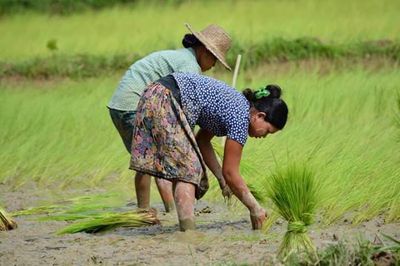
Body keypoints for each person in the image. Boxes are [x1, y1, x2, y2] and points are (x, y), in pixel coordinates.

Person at [130, 72, 289, 231]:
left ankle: (181, 227)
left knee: (184, 167)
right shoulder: (241, 117)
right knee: (189, 171)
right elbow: (231, 173)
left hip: (153, 94)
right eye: (267, 131)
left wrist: (221, 179)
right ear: (260, 116)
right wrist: (255, 209)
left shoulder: (236, 106)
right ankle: (188, 233)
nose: (264, 136)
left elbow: (202, 141)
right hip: (168, 99)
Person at [107, 24, 232, 212]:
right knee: (154, 160)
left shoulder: (183, 57)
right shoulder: (189, 66)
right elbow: (186, 114)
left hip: (121, 104)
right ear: (204, 51)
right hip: (133, 104)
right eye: (214, 59)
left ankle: (154, 210)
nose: (214, 65)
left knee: (151, 159)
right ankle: (166, 211)